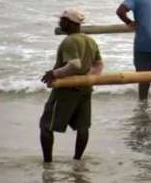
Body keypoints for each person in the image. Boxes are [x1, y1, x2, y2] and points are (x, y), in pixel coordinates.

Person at [40, 9, 104, 163]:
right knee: (82, 126)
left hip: (65, 90)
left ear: (69, 22)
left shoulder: (69, 41)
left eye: (61, 20)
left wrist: (54, 73)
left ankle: (47, 162)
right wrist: (87, 78)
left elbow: (74, 65)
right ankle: (77, 160)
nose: (59, 22)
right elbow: (99, 65)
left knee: (46, 126)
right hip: (85, 88)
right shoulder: (90, 40)